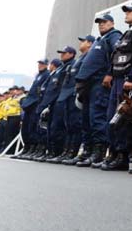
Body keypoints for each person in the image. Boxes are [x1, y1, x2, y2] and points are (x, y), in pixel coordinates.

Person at [101, 3, 132, 171]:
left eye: (130, 11)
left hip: (128, 80)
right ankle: (113, 152)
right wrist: (110, 73)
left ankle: (122, 156)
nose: (126, 14)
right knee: (112, 117)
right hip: (118, 79)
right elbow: (116, 56)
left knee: (123, 118)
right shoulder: (127, 33)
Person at [74, 16, 122, 168]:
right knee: (87, 119)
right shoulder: (99, 40)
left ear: (112, 23)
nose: (101, 25)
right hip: (89, 86)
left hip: (100, 84)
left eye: (104, 22)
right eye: (99, 23)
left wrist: (110, 73)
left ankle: (99, 153)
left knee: (97, 118)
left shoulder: (114, 36)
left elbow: (118, 53)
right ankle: (88, 151)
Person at [63, 36, 94, 165]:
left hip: (85, 93)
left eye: (84, 41)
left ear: (90, 44)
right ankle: (70, 152)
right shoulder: (81, 58)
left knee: (79, 124)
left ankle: (78, 152)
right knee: (72, 124)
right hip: (76, 93)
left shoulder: (90, 56)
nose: (81, 43)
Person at [43, 47, 76, 162]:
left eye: (64, 53)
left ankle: (59, 151)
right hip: (54, 100)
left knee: (60, 127)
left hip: (63, 99)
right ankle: (51, 151)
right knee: (52, 127)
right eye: (61, 53)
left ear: (71, 54)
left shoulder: (71, 65)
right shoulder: (61, 68)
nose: (61, 55)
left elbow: (66, 85)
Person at [16, 59, 49, 159]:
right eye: (39, 64)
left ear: (46, 65)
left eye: (42, 64)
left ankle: (33, 148)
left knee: (33, 126)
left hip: (36, 104)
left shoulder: (46, 75)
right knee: (26, 127)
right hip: (29, 104)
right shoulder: (38, 76)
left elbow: (41, 91)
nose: (40, 65)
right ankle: (27, 147)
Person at [33, 58, 64, 160]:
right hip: (45, 103)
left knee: (53, 128)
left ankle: (53, 151)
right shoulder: (50, 75)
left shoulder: (55, 74)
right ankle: (42, 150)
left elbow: (54, 91)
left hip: (52, 103)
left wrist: (47, 104)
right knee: (44, 128)